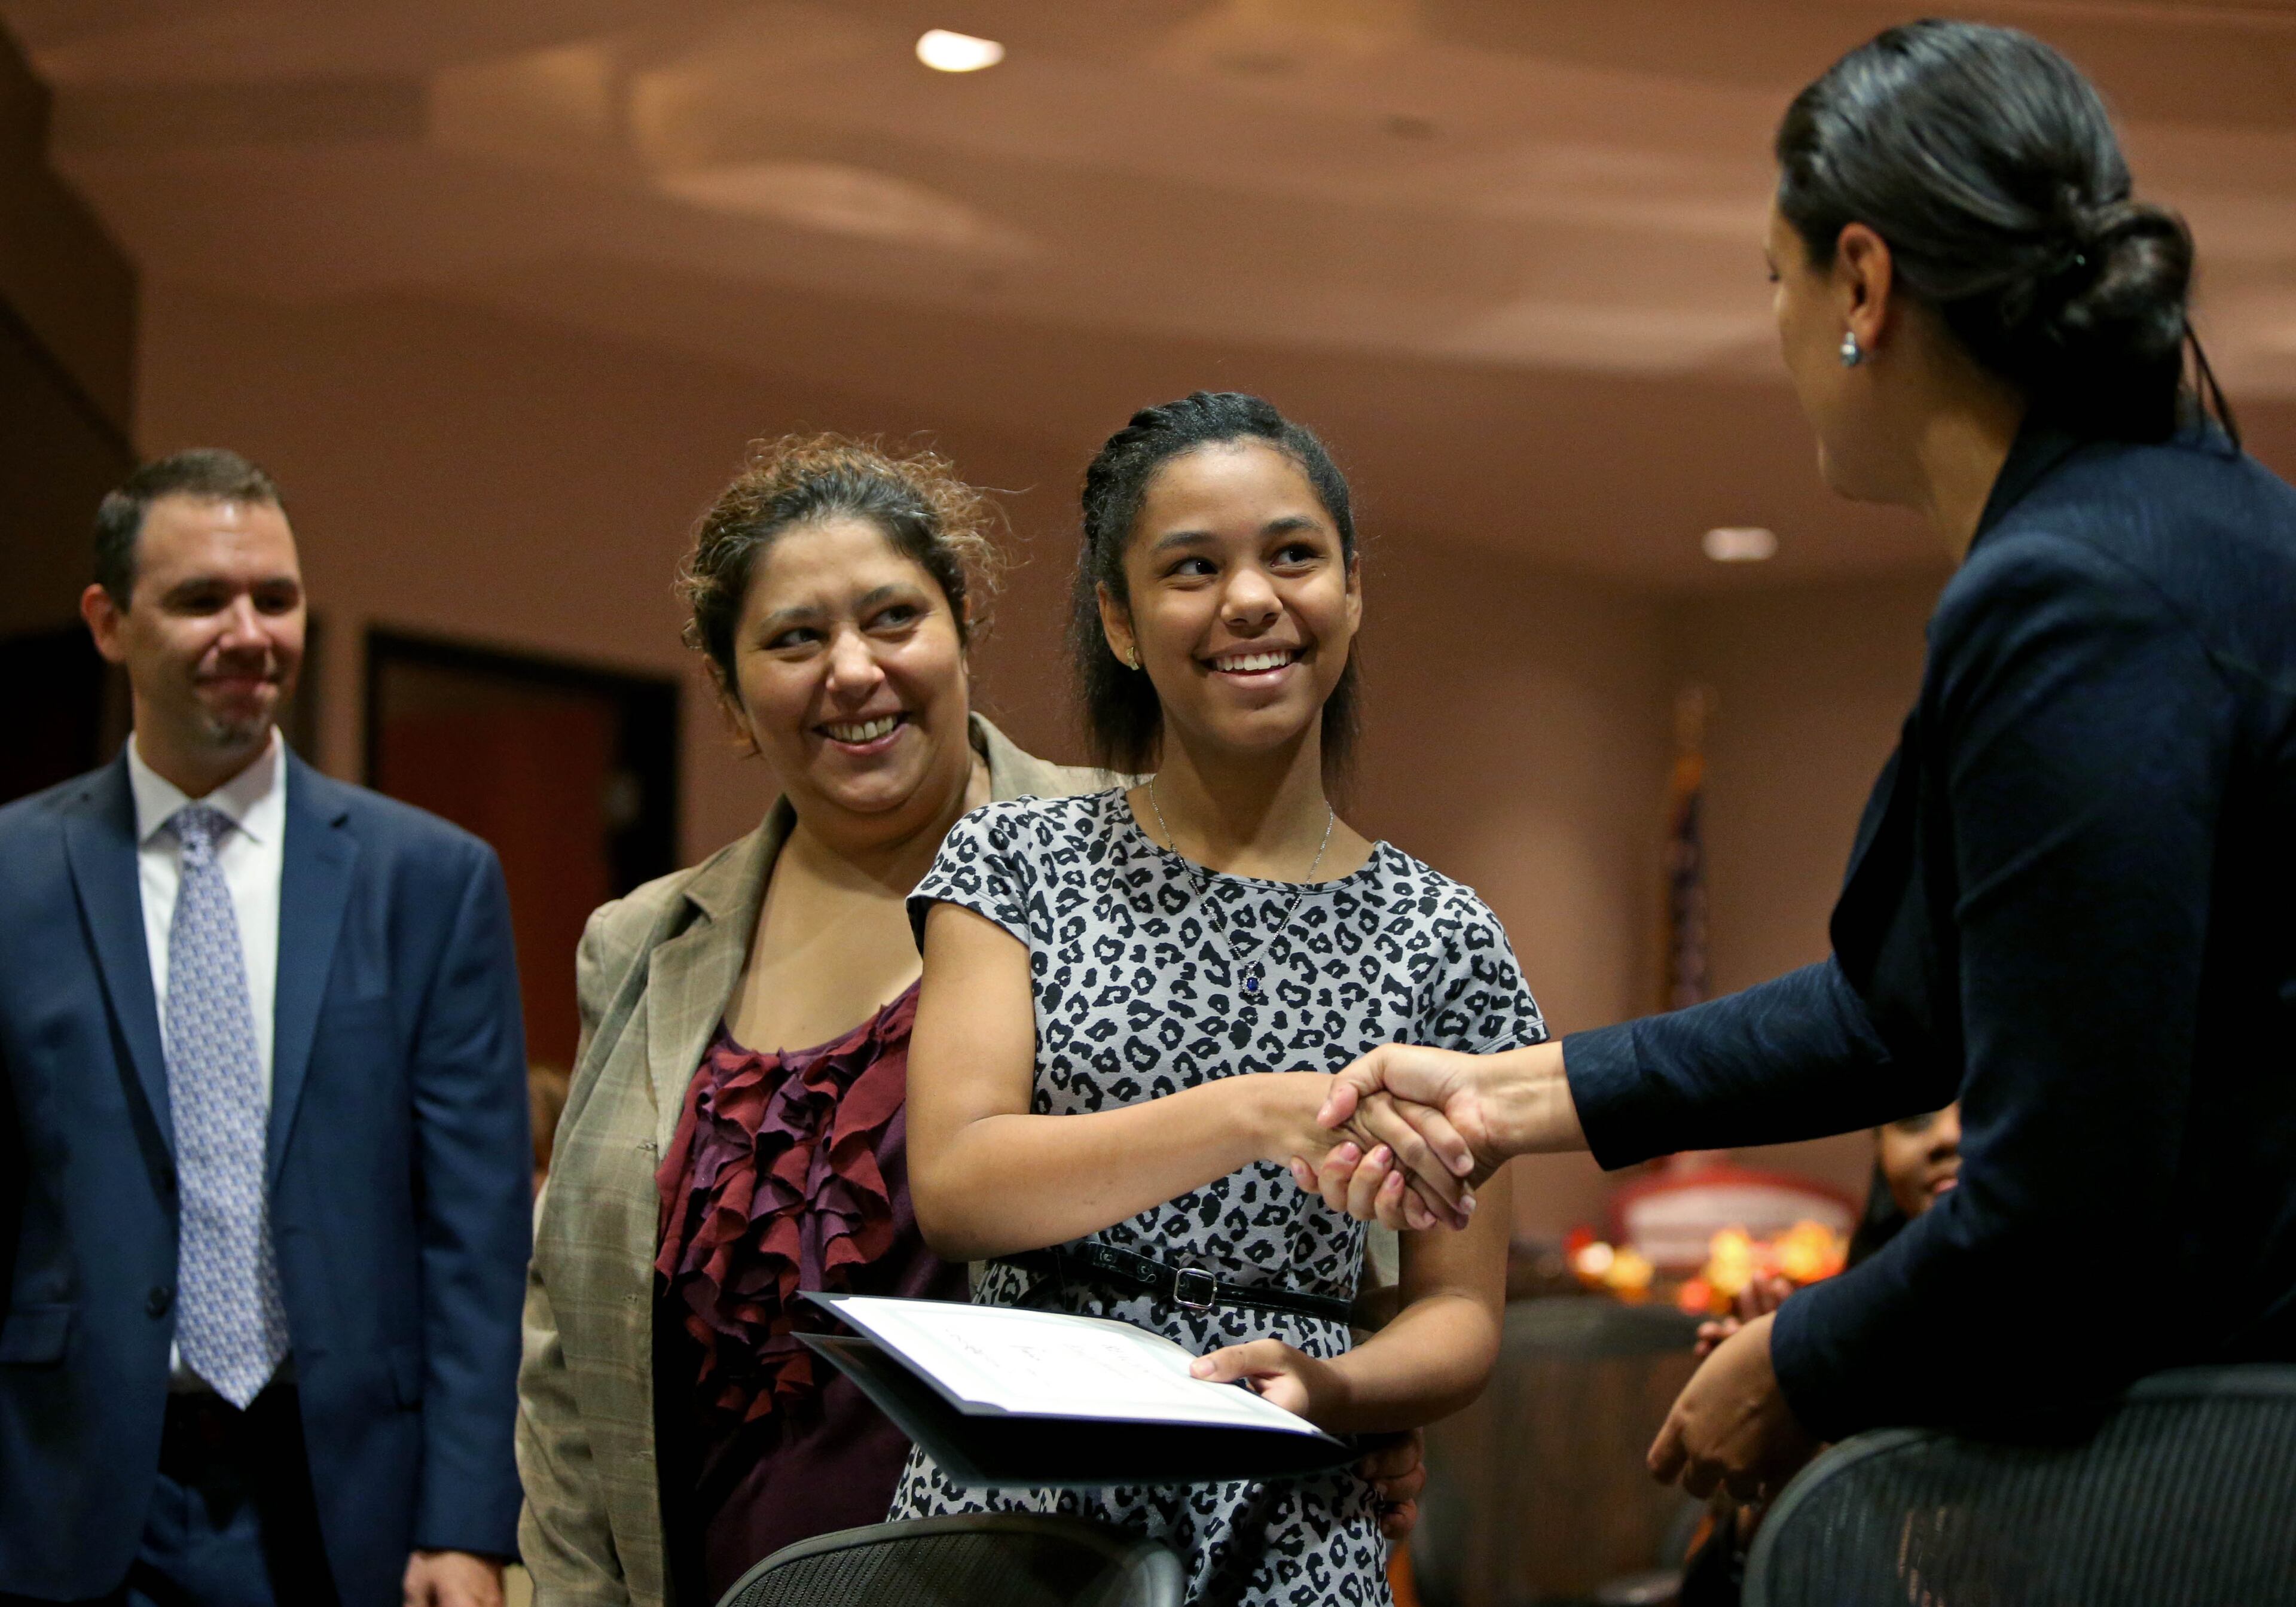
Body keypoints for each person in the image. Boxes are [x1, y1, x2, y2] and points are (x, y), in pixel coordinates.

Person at [1314, 19, 2296, 1505]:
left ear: (1862, 282)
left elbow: (2057, 1212)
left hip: (2215, 1463)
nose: (1775, 331)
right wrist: (1512, 1099)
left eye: (1774, 281)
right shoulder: (2197, 524)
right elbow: (1899, 1005)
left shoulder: (2074, 592)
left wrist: (1798, 1363)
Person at [514, 434, 1436, 1606]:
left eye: (894, 619)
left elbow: (1341, 1199)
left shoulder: (1145, 855)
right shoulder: (644, 945)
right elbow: (570, 1351)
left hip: (1077, 1575)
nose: (852, 671)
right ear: (733, 695)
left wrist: (1366, 1395)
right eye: (796, 638)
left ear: (962, 636)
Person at [891, 392, 1539, 1607]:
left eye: (1294, 556)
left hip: (1288, 1505)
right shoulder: (1010, 866)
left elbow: (1460, 1318)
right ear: (1121, 622)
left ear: (1350, 592)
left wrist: (1333, 1388)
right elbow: (958, 1185)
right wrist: (1249, 1115)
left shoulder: (1448, 938)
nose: (1252, 600)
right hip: (1020, 1500)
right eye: (1193, 568)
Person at [0, 450, 531, 1605]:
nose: (250, 632)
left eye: (276, 599)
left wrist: (469, 1518)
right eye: (202, 600)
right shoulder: (10, 877)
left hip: (348, 1501)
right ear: (107, 621)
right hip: (61, 1492)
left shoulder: (430, 881)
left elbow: (477, 1238)